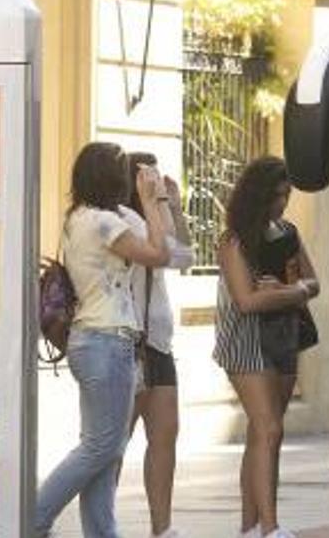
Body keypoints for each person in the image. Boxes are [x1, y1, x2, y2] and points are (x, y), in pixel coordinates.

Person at [34, 142, 171, 538]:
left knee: (102, 448)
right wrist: (152, 198)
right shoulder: (105, 224)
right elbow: (160, 253)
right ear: (109, 178)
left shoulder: (77, 217)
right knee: (101, 448)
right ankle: (34, 518)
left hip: (90, 341)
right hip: (108, 340)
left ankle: (100, 533)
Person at [213, 156, 320, 538]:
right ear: (259, 196)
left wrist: (289, 291)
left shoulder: (288, 231)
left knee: (266, 434)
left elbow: (314, 282)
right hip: (246, 342)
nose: (284, 202)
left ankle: (250, 525)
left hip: (284, 338)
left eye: (288, 194)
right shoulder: (234, 240)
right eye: (278, 195)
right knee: (269, 428)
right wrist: (291, 293)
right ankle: (270, 528)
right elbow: (247, 301)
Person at [122, 152, 194, 538]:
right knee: (115, 442)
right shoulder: (123, 220)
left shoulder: (153, 216)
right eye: (148, 176)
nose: (155, 182)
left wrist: (175, 204)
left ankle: (161, 528)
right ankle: (102, 523)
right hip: (129, 341)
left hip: (159, 343)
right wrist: (159, 204)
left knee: (165, 434)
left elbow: (185, 256)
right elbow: (167, 253)